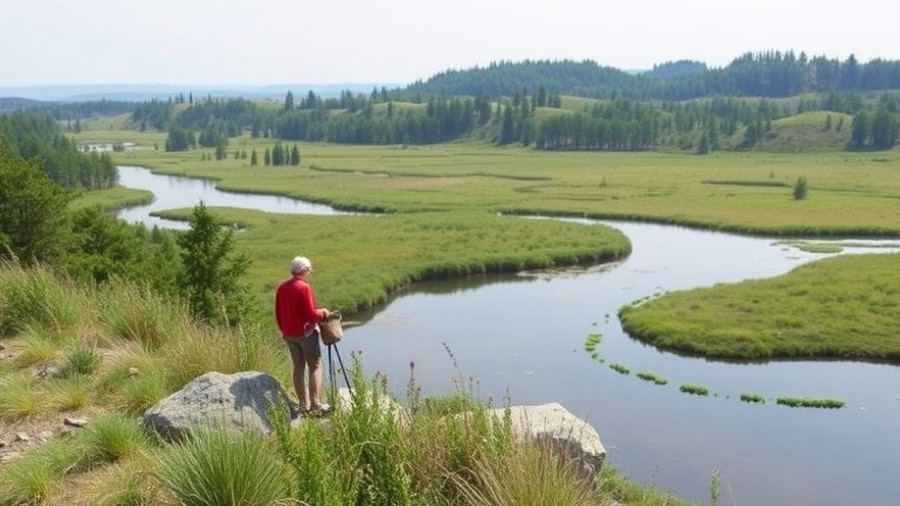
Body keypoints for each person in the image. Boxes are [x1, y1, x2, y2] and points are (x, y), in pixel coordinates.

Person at [275, 255, 331, 416]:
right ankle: (315, 404)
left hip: (289, 335)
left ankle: (302, 405)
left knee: (298, 367)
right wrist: (323, 313)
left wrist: (284, 331)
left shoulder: (282, 288)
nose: (309, 274)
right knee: (315, 366)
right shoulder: (303, 288)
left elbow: (278, 314)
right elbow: (311, 315)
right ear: (304, 270)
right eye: (308, 271)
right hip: (305, 334)